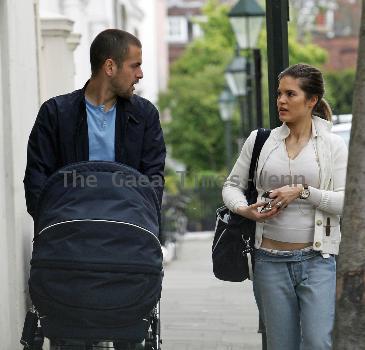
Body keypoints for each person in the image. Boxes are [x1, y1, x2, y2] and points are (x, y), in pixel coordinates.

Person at [24, 29, 166, 350]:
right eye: (135, 65)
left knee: (128, 326)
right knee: (69, 333)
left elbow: (152, 180)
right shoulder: (55, 113)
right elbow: (37, 182)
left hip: (125, 242)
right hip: (70, 244)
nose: (140, 74)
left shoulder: (144, 117)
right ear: (110, 67)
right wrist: (58, 224)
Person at [222, 63, 348, 350]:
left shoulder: (332, 145)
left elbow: (345, 202)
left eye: (291, 94)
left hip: (318, 261)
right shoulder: (261, 141)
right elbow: (231, 186)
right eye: (279, 93)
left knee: (318, 343)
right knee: (281, 345)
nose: (281, 100)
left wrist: (303, 192)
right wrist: (244, 209)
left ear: (311, 100)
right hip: (269, 261)